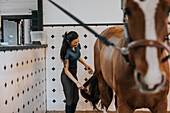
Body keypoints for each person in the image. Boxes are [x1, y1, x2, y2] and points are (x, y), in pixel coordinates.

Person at [60, 31, 93, 113]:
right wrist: (77, 82)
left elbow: (77, 57)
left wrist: (85, 65)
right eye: (75, 42)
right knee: (70, 99)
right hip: (67, 76)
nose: (77, 43)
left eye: (78, 41)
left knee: (76, 99)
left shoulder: (77, 46)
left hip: (74, 74)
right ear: (68, 42)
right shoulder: (66, 52)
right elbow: (66, 71)